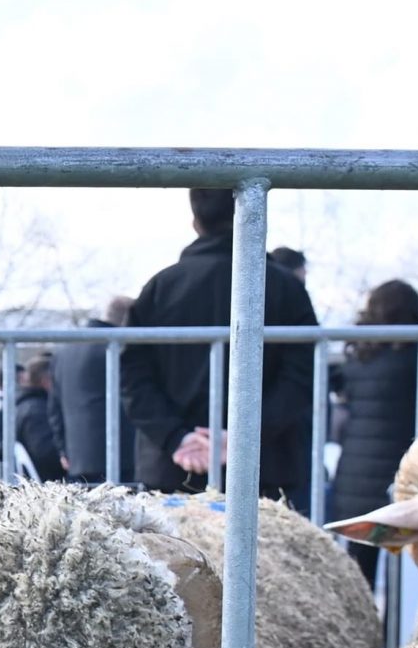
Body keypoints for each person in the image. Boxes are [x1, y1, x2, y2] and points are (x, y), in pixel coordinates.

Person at [121, 188, 320, 499]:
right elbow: (302, 375)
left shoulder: (159, 288)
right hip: (264, 471)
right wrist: (247, 435)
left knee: (173, 548)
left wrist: (176, 436)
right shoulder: (287, 288)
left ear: (195, 222)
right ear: (255, 217)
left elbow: (133, 378)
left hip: (172, 470)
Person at [328, 280, 418, 577]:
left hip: (355, 476)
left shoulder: (356, 358)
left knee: (361, 568)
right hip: (406, 475)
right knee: (408, 570)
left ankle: (362, 623)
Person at [55, 294, 134, 485]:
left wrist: (63, 448)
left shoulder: (64, 350)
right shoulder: (121, 349)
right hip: (121, 457)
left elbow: (55, 405)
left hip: (76, 458)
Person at [0, 359, 65, 479]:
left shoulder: (23, 404)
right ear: (46, 381)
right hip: (46, 484)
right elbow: (46, 456)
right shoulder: (36, 410)